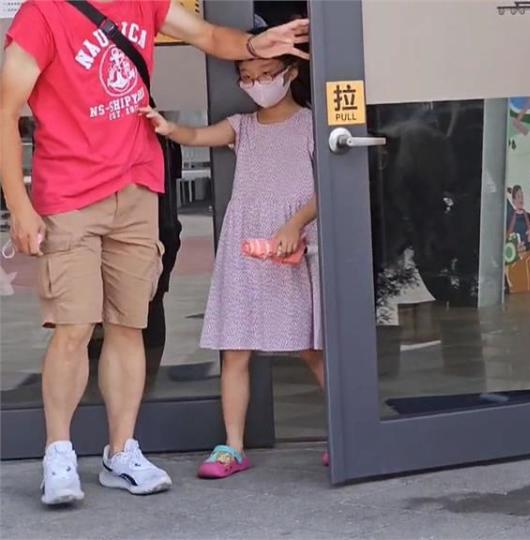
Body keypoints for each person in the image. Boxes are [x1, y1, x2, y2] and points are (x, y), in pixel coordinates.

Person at [0, 0, 309, 505]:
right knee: (75, 327)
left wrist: (256, 44)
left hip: (138, 185)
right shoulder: (43, 12)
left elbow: (209, 36)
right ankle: (58, 453)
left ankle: (121, 453)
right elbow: (6, 108)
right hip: (70, 193)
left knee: (129, 325)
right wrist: (19, 205)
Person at [142, 30, 324, 478]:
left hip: (292, 248)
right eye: (248, 76)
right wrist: (166, 127)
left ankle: (347, 431)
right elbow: (196, 133)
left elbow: (328, 191)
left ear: (291, 72)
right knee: (236, 349)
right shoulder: (242, 127)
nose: (257, 83)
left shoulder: (312, 125)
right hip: (246, 250)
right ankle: (233, 446)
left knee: (311, 347)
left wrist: (294, 224)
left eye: (267, 74)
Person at [504, 185, 530, 293]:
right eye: (518, 197)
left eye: (522, 197)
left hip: (529, 258)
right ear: (514, 200)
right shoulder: (509, 217)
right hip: (515, 261)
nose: (521, 200)